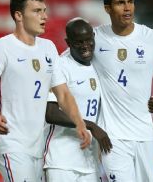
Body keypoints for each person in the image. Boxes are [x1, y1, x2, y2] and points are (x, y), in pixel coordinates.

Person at [0, 0, 91, 181]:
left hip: (37, 146)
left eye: (44, 11)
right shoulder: (0, 47)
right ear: (18, 15)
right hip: (11, 141)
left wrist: (79, 122)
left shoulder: (48, 48)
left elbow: (62, 93)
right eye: (37, 11)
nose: (44, 16)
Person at [91, 0, 153, 182]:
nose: (127, 8)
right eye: (120, 3)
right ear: (107, 8)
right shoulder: (94, 38)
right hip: (112, 136)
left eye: (130, 2)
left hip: (144, 132)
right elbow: (67, 66)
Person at [43, 17, 112, 182]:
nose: (85, 46)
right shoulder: (60, 67)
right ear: (68, 42)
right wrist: (90, 125)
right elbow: (51, 113)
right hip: (61, 161)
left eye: (89, 40)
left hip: (89, 161)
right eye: (79, 42)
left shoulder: (99, 65)